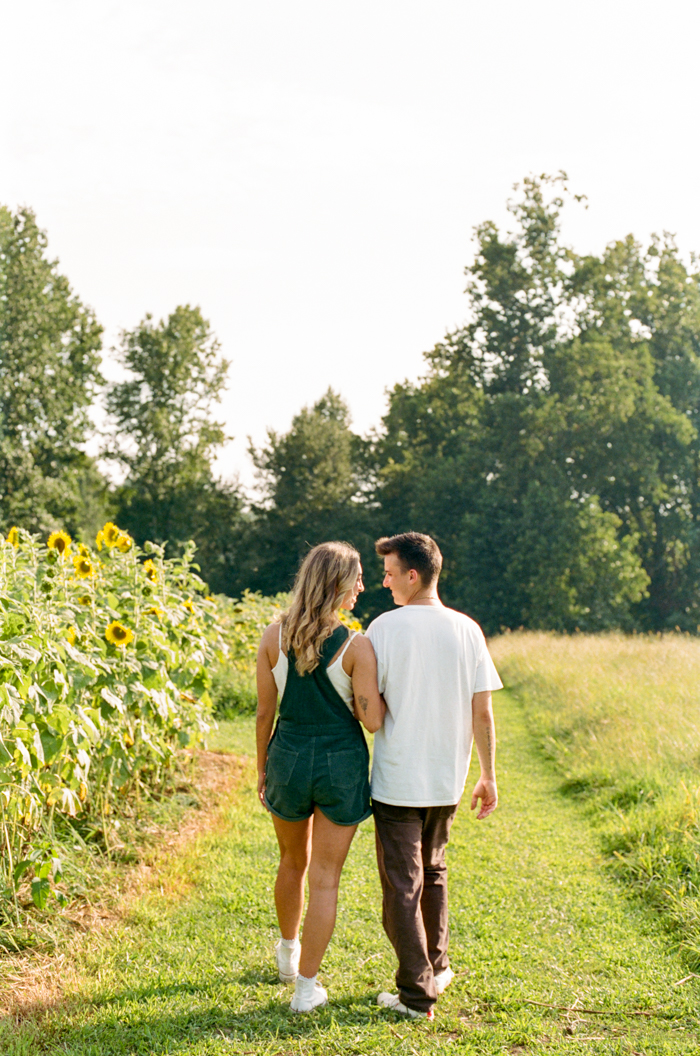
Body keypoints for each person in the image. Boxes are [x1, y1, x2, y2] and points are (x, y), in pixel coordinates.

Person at [366, 531, 502, 1021]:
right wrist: (488, 775)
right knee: (434, 871)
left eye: (389, 574)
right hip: (447, 779)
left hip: (398, 778)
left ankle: (415, 995)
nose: (384, 582)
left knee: (402, 884)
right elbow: (482, 712)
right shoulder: (469, 629)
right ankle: (437, 968)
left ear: (413, 575)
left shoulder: (383, 628)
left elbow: (371, 708)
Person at [256, 541, 385, 1013]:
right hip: (340, 766)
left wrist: (261, 768)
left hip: (287, 759)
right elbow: (372, 722)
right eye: (357, 578)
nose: (362, 587)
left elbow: (264, 713)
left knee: (291, 861)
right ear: (337, 584)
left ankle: (287, 954)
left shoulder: (273, 636)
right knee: (325, 879)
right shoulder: (357, 645)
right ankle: (305, 990)